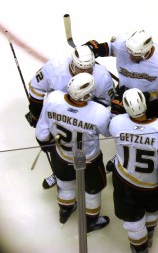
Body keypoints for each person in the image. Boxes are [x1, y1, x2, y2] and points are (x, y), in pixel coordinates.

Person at [84, 30, 158, 171]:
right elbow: (107, 48)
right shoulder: (123, 44)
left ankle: (150, 157)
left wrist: (153, 95)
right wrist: (93, 49)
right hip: (125, 96)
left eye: (135, 55)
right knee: (124, 130)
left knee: (146, 134)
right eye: (129, 52)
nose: (130, 56)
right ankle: (123, 155)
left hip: (152, 103)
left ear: (146, 52)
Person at [26, 45, 115, 189]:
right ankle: (60, 172)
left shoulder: (102, 76)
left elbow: (106, 101)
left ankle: (67, 174)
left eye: (90, 68)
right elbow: (37, 87)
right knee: (61, 149)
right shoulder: (55, 67)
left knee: (83, 149)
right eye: (82, 68)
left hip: (84, 120)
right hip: (59, 117)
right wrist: (36, 114)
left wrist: (90, 114)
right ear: (72, 64)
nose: (86, 72)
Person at [35, 72, 111, 231]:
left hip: (62, 154)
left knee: (65, 185)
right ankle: (91, 222)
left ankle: (65, 210)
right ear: (88, 94)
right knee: (93, 191)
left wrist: (44, 143)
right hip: (87, 158)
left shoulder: (54, 98)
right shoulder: (99, 112)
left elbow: (41, 132)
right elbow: (108, 132)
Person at [109, 88, 158, 253]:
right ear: (146, 105)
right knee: (152, 208)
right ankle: (149, 232)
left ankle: (140, 248)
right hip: (152, 183)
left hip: (124, 181)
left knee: (132, 222)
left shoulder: (117, 122)